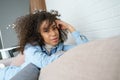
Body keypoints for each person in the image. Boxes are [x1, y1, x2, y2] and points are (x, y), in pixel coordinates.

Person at [0, 10, 88, 80]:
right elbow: (45, 62)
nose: (53, 34)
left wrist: (70, 27)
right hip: (6, 75)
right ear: (37, 34)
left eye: (54, 28)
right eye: (46, 30)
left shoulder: (58, 47)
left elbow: (86, 48)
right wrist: (68, 55)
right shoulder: (30, 48)